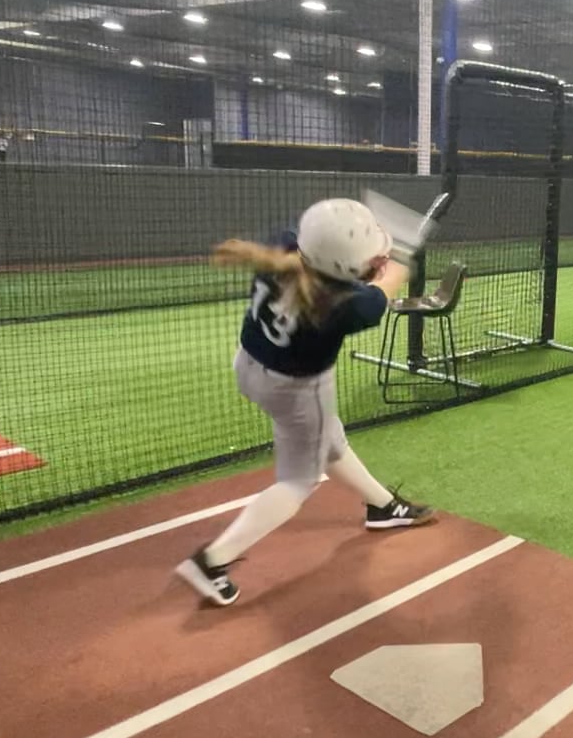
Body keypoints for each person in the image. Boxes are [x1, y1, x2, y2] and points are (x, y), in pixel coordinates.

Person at [176, 198, 435, 607]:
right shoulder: (348, 306)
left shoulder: (282, 245)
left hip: (249, 365)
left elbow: (329, 255)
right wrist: (403, 255)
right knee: (299, 481)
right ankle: (212, 562)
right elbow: (383, 287)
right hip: (296, 391)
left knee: (329, 439)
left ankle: (383, 506)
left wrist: (373, 250)